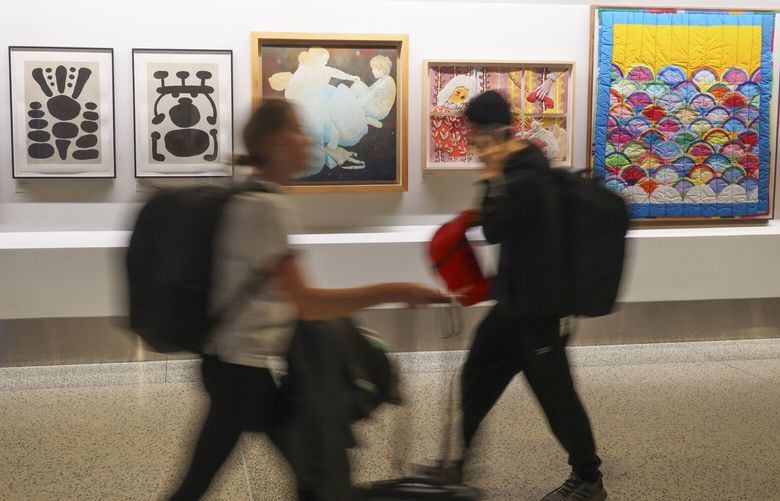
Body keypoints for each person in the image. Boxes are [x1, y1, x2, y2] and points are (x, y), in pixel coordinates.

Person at [168, 99, 446, 500]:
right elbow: (306, 303)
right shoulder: (268, 209)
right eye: (298, 130)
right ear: (278, 142)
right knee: (319, 477)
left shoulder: (248, 198)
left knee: (311, 476)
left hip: (235, 368)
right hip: (241, 373)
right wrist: (394, 290)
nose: (307, 140)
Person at [455, 90, 607, 500]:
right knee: (475, 380)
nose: (472, 143)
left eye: (475, 134)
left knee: (556, 397)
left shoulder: (525, 175)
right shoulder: (520, 170)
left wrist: (489, 179)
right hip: (513, 307)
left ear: (491, 131)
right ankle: (455, 470)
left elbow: (495, 229)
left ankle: (589, 479)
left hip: (540, 310)